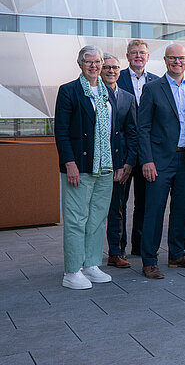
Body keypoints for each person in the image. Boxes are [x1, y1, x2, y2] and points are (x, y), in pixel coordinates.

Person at [55, 46, 126, 289]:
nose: (94, 66)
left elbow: (115, 131)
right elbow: (62, 132)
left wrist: (118, 162)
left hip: (105, 166)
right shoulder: (69, 91)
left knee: (97, 218)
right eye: (89, 61)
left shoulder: (107, 92)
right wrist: (69, 164)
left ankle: (91, 264)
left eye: (98, 62)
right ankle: (72, 270)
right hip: (80, 166)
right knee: (76, 219)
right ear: (80, 63)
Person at [137, 44, 185, 279]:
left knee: (180, 209)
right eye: (172, 58)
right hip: (159, 161)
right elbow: (143, 127)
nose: (177, 62)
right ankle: (149, 260)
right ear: (165, 61)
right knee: (154, 210)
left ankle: (177, 255)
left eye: (181, 58)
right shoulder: (152, 88)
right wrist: (147, 160)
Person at [116, 39, 158, 256]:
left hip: (148, 153)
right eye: (134, 53)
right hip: (124, 152)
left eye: (142, 53)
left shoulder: (157, 81)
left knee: (144, 202)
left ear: (148, 57)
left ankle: (138, 246)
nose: (138, 56)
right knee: (120, 203)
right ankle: (119, 248)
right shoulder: (117, 78)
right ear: (128, 56)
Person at [100, 53, 137, 269]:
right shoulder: (92, 95)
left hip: (120, 163)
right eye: (107, 67)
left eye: (115, 67)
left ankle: (115, 251)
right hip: (96, 162)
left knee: (117, 208)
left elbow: (132, 132)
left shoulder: (128, 98)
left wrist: (128, 163)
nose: (111, 71)